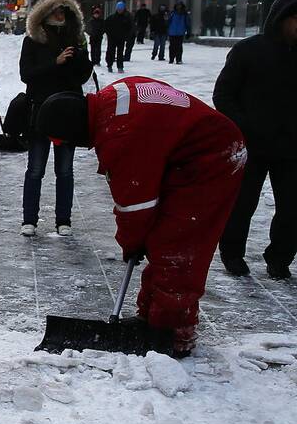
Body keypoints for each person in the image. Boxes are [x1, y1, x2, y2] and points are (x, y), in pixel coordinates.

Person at [36, 77, 245, 355]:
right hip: (185, 154)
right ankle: (150, 319)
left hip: (212, 158)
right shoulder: (111, 98)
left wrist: (132, 243)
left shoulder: (119, 135)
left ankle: (171, 334)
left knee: (176, 249)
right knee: (161, 240)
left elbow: (135, 207)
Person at [216, 0, 297, 280]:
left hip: (291, 149)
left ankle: (280, 258)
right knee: (242, 204)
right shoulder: (249, 51)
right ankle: (232, 253)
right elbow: (223, 95)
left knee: (292, 208)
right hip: (252, 144)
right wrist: (245, 125)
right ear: (284, 17)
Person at [18, 0, 93, 237]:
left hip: (68, 112)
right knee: (36, 168)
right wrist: (56, 62)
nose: (61, 14)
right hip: (41, 111)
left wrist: (81, 59)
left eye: (64, 10)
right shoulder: (34, 40)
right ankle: (29, 219)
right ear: (46, 13)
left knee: (65, 170)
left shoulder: (74, 38)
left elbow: (82, 76)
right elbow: (27, 74)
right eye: (56, 10)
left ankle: (64, 220)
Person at [104, 1, 133, 73]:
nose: (120, 10)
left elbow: (129, 28)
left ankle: (120, 66)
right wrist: (109, 34)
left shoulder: (126, 18)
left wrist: (127, 36)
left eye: (121, 9)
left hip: (121, 38)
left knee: (120, 53)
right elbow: (105, 26)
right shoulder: (111, 17)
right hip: (112, 38)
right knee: (111, 52)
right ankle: (109, 65)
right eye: (119, 9)